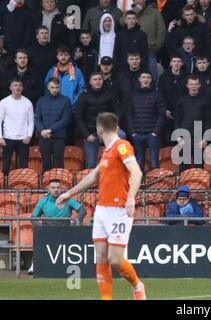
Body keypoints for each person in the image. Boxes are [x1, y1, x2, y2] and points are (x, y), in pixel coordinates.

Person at [57, 112, 146, 300]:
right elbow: (93, 177)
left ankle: (137, 286)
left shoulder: (122, 146)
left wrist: (131, 197)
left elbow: (137, 173)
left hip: (119, 210)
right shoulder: (106, 152)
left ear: (99, 130)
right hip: (101, 210)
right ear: (117, 126)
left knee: (115, 259)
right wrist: (68, 193)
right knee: (101, 257)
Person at [28, 178, 87, 275]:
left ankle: (73, 266)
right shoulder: (43, 202)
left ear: (61, 189)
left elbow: (83, 210)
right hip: (47, 230)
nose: (56, 190)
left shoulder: (68, 200)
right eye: (53, 187)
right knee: (38, 238)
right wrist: (41, 228)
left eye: (58, 187)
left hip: (66, 230)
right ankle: (34, 265)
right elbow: (33, 217)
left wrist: (75, 223)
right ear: (48, 189)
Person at [76, 72, 123, 168]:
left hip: (108, 130)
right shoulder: (83, 96)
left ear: (102, 81)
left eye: (100, 79)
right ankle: (93, 182)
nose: (98, 81)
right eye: (95, 79)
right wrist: (86, 134)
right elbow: (78, 116)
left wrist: (115, 126)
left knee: (122, 135)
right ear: (90, 82)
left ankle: (119, 162)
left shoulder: (109, 94)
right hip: (91, 132)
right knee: (91, 164)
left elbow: (118, 111)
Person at [128, 70, 165, 172]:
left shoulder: (157, 95)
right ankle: (138, 187)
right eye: (143, 77)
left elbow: (161, 115)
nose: (146, 79)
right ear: (139, 79)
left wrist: (155, 132)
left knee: (154, 164)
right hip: (137, 135)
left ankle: (155, 187)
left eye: (148, 77)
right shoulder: (133, 95)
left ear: (151, 80)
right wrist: (133, 133)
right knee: (138, 163)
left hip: (152, 135)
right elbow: (129, 114)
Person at [174, 74, 211, 172]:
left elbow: (208, 120)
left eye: (196, 84)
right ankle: (183, 187)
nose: (193, 86)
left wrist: (206, 138)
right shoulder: (181, 101)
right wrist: (178, 137)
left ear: (199, 85)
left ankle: (199, 187)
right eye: (191, 84)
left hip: (199, 139)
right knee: (184, 168)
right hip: (184, 138)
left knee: (199, 168)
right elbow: (177, 120)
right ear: (187, 85)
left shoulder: (205, 100)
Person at [35, 78, 71, 172]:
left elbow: (65, 120)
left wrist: (50, 130)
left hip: (59, 137)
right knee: (45, 162)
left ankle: (59, 183)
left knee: (59, 163)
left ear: (59, 87)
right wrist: (42, 130)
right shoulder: (41, 100)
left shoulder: (66, 100)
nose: (55, 90)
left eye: (57, 87)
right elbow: (37, 118)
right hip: (44, 137)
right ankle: (46, 184)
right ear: (48, 87)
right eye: (52, 87)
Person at [0, 79, 34, 175]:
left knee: (24, 165)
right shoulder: (4, 102)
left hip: (23, 138)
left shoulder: (27, 102)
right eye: (15, 85)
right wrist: (0, 137)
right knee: (6, 165)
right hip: (8, 138)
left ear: (22, 88)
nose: (18, 87)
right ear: (10, 88)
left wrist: (29, 136)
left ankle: (23, 187)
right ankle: (5, 187)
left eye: (20, 85)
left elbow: (31, 121)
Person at [127, 0, 166, 82]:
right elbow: (121, 22)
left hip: (150, 51)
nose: (139, 1)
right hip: (132, 54)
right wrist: (136, 10)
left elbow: (161, 31)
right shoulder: (131, 13)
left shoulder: (155, 13)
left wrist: (156, 47)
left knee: (151, 78)